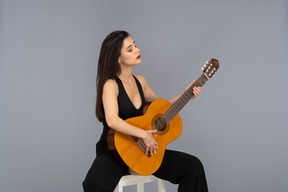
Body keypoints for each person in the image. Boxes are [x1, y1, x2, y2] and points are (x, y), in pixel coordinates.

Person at [82, 30, 209, 192]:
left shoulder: (141, 81)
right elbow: (112, 120)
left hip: (145, 150)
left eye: (135, 45)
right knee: (93, 183)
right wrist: (143, 134)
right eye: (130, 49)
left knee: (193, 166)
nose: (137, 50)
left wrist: (186, 95)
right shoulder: (110, 85)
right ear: (117, 58)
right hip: (115, 151)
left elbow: (160, 109)